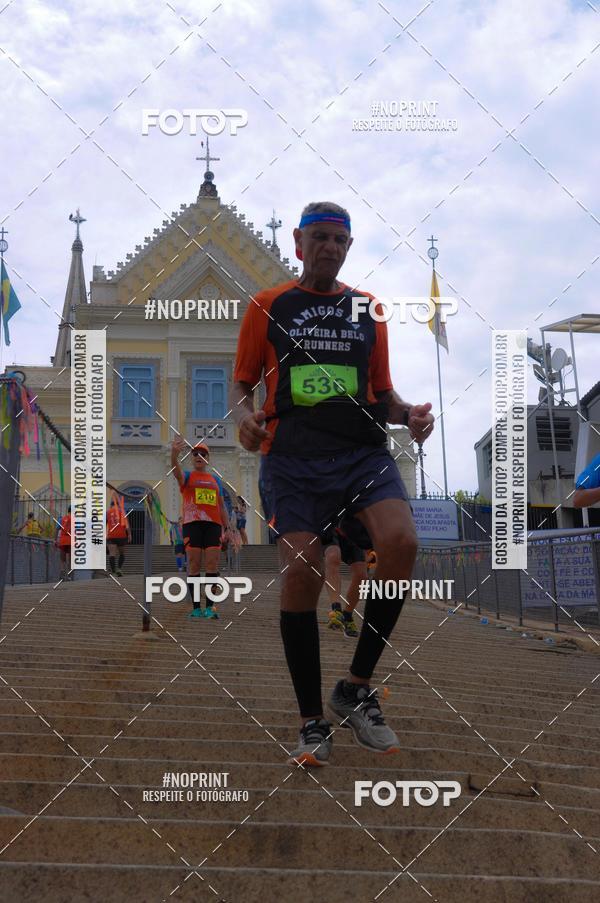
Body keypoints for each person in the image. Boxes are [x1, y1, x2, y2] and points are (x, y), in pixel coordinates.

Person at [232, 200, 434, 766]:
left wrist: (409, 415)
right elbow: (243, 382)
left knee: (401, 542)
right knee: (302, 571)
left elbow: (382, 394)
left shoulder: (368, 309)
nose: (330, 248)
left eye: (339, 240)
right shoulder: (268, 305)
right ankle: (310, 722)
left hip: (361, 454)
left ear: (349, 247)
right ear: (299, 244)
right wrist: (244, 417)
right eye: (319, 237)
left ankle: (355, 687)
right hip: (292, 458)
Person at [170, 438, 228, 619]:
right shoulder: (187, 476)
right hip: (192, 524)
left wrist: (228, 529)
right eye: (195, 453)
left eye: (203, 454)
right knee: (194, 564)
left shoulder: (215, 480)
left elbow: (221, 506)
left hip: (213, 525)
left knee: (212, 564)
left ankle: (209, 608)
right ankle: (196, 608)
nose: (199, 456)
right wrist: (174, 455)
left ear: (208, 459)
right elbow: (176, 472)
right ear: (192, 458)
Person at [323, 517, 368, 639]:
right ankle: (336, 610)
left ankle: (347, 615)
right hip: (330, 524)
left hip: (353, 528)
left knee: (362, 576)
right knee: (333, 556)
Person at [106, 495, 131, 576]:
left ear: (111, 505)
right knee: (122, 554)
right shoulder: (122, 512)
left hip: (111, 535)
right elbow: (127, 526)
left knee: (112, 554)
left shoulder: (107, 512)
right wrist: (129, 535)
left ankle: (113, 572)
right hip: (121, 535)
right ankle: (119, 569)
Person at [56, 506, 72, 580]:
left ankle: (62, 574)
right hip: (70, 541)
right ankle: (69, 575)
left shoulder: (61, 519)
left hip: (62, 540)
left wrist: (55, 540)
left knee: (62, 558)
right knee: (70, 559)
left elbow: (57, 529)